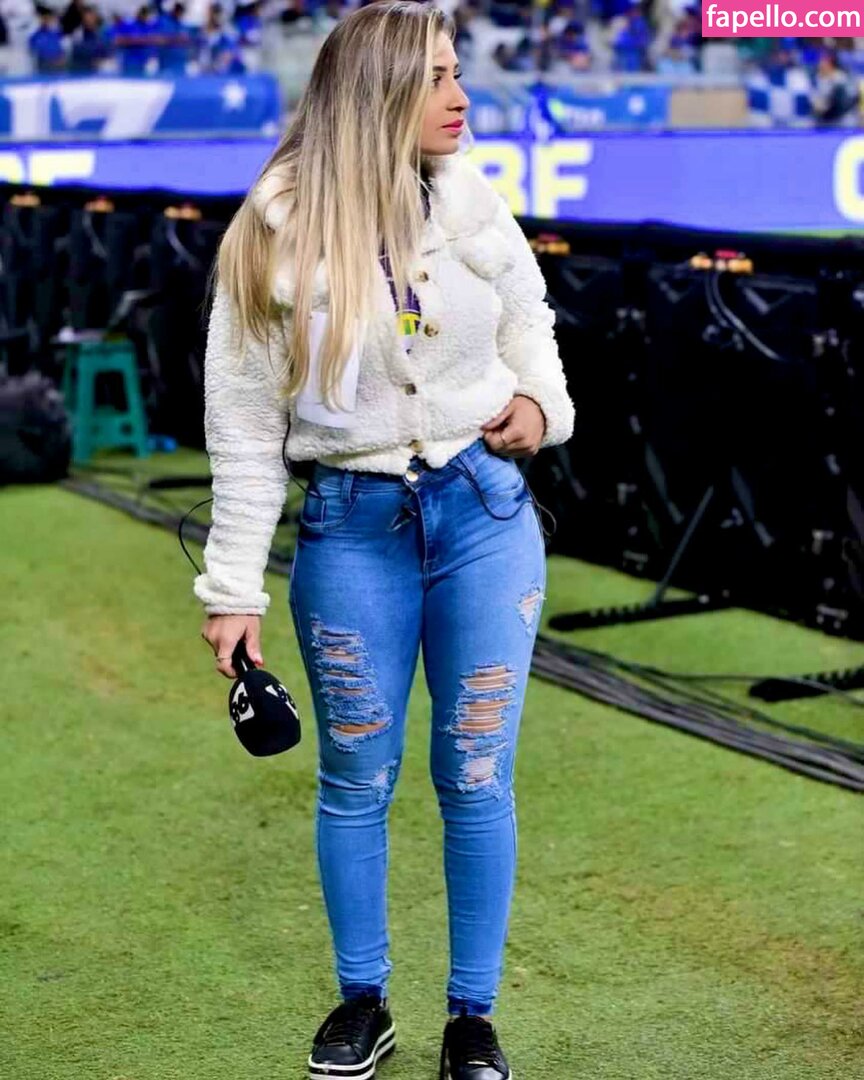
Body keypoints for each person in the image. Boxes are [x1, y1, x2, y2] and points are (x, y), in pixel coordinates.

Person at [195, 3, 575, 1079]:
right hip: (350, 529)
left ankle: (471, 1019)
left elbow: (529, 315)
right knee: (355, 778)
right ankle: (364, 1002)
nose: (460, 96)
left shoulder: (473, 201)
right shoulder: (273, 230)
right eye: (436, 77)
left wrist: (540, 405)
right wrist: (233, 588)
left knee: (476, 773)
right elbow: (243, 424)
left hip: (485, 516)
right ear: (376, 94)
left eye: (458, 72)